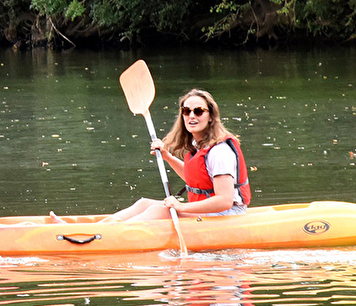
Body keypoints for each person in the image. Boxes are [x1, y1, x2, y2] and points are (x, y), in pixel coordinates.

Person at [97, 88, 250, 222]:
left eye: (198, 111)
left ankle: (107, 237)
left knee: (158, 211)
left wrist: (181, 207)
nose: (191, 116)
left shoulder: (219, 151)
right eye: (186, 111)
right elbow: (197, 180)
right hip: (209, 212)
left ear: (211, 116)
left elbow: (224, 201)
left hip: (227, 215)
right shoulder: (199, 145)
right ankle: (101, 229)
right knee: (144, 204)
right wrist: (167, 157)